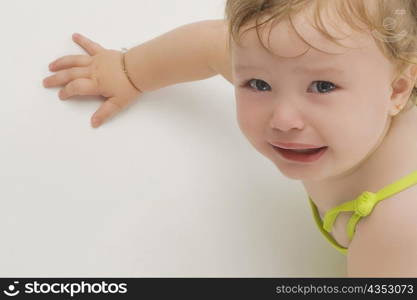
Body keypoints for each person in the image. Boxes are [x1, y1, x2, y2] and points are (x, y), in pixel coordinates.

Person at [42, 0, 417, 277]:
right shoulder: (288, 56)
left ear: (398, 90)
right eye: (258, 84)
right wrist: (128, 70)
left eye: (322, 86)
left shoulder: (394, 229)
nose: (283, 120)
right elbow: (211, 44)